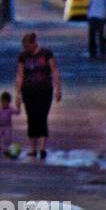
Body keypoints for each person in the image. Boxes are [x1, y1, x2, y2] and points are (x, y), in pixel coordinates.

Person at [15, 32, 62, 160]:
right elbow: (20, 75)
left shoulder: (46, 54)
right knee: (31, 117)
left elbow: (54, 71)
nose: (26, 49)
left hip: (44, 90)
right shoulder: (23, 56)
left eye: (28, 46)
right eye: (24, 46)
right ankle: (33, 148)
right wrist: (18, 94)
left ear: (34, 43)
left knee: (42, 116)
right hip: (28, 90)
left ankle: (42, 148)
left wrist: (58, 89)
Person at [0, 91, 17, 157]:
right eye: (3, 102)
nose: (4, 104)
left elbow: (17, 112)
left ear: (9, 102)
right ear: (1, 101)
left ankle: (7, 149)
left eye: (6, 102)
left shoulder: (10, 109)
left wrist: (18, 105)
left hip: (8, 127)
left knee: (7, 139)